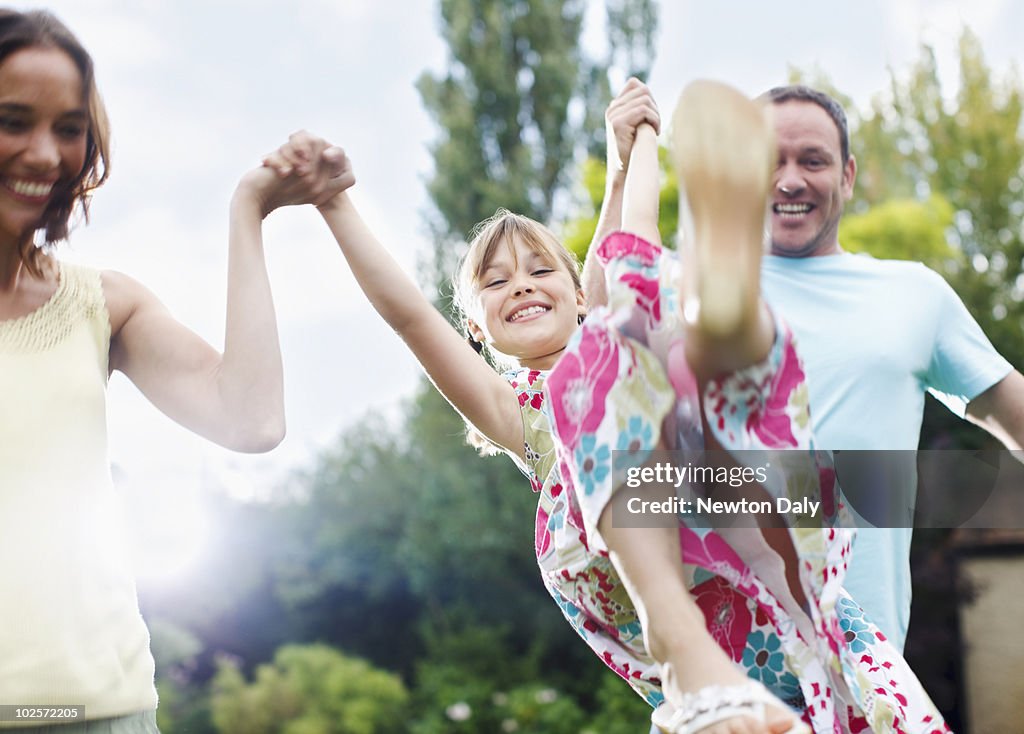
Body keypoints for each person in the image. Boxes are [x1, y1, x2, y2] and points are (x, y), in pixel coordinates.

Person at [267, 79, 949, 732]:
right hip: (699, 638)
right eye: (495, 281)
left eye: (541, 271)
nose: (522, 287)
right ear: (475, 326)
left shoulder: (611, 337)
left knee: (639, 319)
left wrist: (631, 154)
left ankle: (742, 341)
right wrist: (336, 204)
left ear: (575, 291)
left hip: (766, 579)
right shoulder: (515, 411)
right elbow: (412, 317)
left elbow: (623, 256)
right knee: (622, 339)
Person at [0, 9, 349, 732]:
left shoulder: (104, 306)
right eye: (12, 120)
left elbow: (251, 420)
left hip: (106, 715)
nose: (43, 154)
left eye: (67, 128)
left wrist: (248, 211)